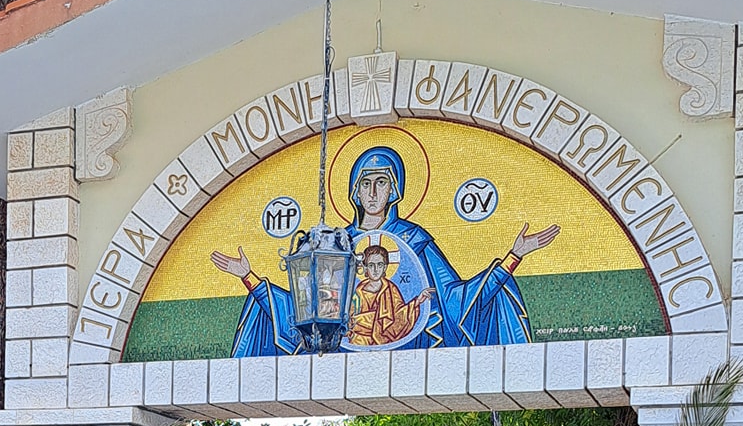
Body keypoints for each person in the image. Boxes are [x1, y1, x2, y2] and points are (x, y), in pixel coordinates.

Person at [214, 145, 559, 355]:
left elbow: (455, 299)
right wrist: (248, 277)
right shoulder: (334, 245)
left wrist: (513, 257)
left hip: (407, 342)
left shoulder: (414, 238)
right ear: (354, 191)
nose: (373, 192)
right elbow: (306, 309)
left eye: (381, 182)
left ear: (395, 190)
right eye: (365, 183)